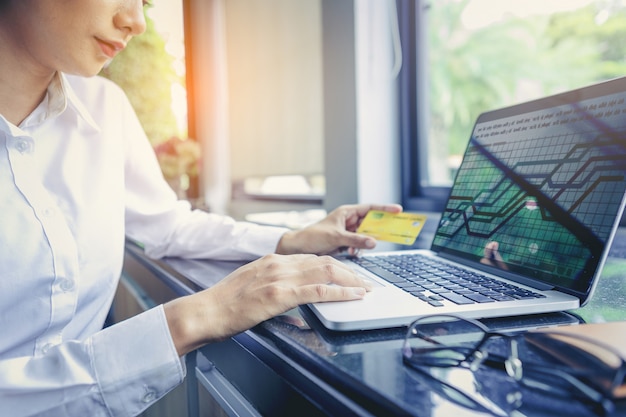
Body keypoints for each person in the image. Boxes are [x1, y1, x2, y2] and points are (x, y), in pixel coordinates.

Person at [0, 1, 402, 416]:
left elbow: (168, 225)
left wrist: (290, 240)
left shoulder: (105, 107)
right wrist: (191, 319)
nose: (136, 21)